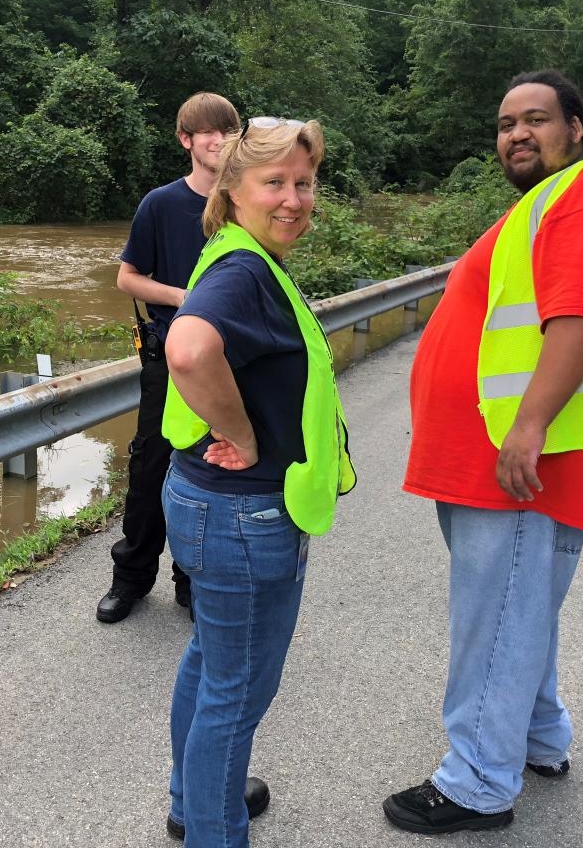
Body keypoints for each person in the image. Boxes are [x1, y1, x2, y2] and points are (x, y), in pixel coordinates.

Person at [383, 70, 583, 835]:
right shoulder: (550, 204)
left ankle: (477, 782)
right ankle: (539, 737)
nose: (516, 133)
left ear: (578, 128)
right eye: (506, 123)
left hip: (516, 462)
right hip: (495, 458)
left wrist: (529, 424)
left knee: (499, 614)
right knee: (518, 609)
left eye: (536, 119)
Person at [160, 117, 356, 846]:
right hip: (244, 518)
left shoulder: (238, 254)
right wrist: (241, 435)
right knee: (236, 691)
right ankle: (215, 828)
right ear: (232, 189)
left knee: (214, 664)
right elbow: (187, 346)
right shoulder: (244, 270)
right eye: (274, 182)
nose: (295, 198)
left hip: (209, 507)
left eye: (304, 182)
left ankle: (193, 800)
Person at [97, 92, 240, 623]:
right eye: (208, 133)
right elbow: (126, 278)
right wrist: (185, 298)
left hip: (226, 362)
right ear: (186, 140)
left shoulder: (242, 203)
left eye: (228, 132)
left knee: (208, 470)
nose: (219, 141)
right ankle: (130, 580)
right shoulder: (160, 204)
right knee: (151, 466)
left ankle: (190, 581)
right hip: (167, 358)